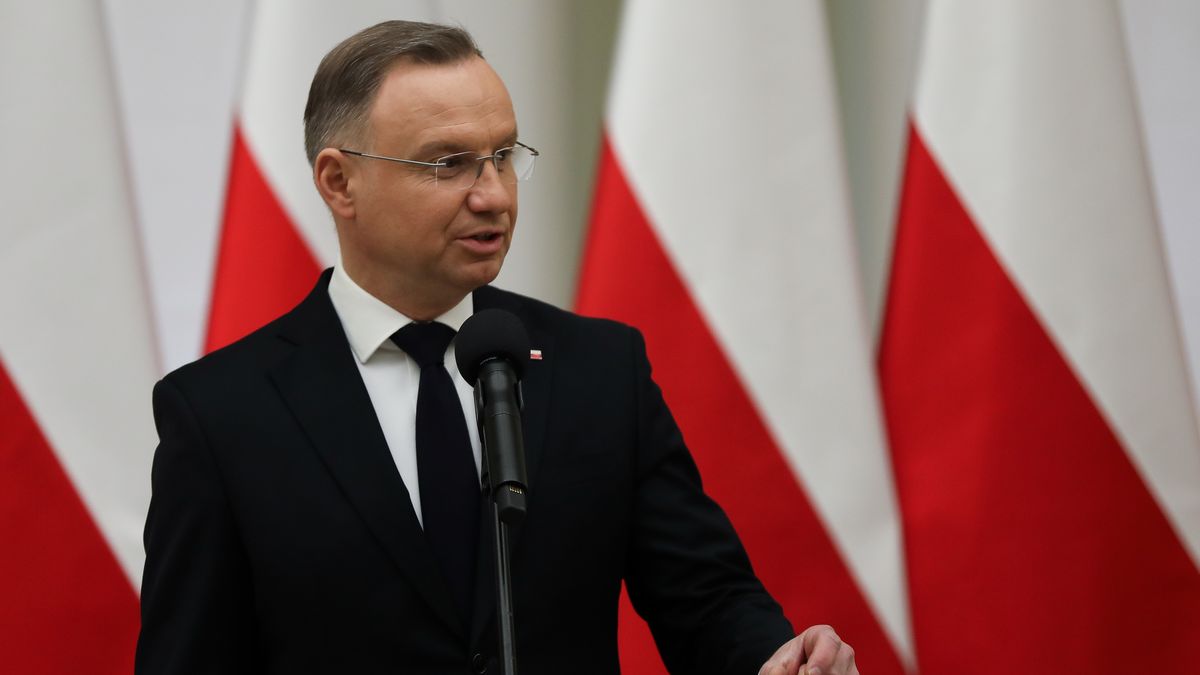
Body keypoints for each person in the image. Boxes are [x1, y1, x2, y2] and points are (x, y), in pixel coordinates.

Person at [135, 20, 858, 675]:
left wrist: (776, 660)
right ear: (339, 181)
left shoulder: (600, 373)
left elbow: (706, 599)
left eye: (503, 156)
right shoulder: (222, 416)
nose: (495, 196)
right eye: (448, 164)